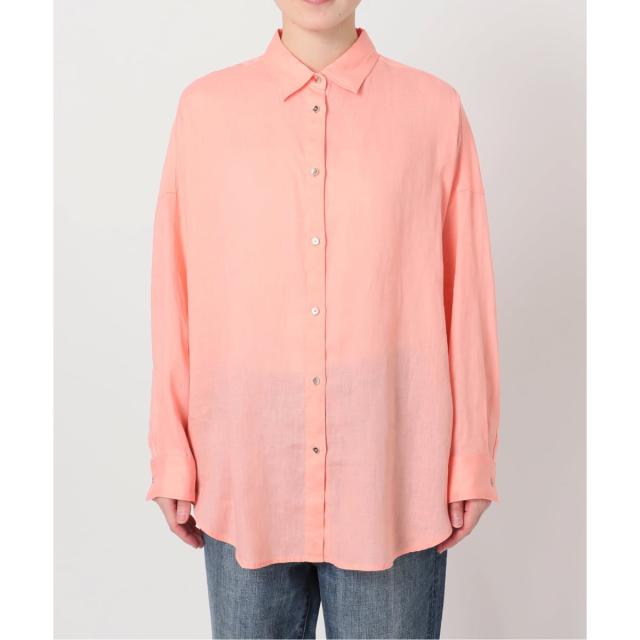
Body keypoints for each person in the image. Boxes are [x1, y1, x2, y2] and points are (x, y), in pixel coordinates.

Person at [145, 0, 500, 638]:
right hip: (246, 467)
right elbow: (177, 289)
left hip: (389, 470)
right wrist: (172, 452)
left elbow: (466, 294)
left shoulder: (434, 110)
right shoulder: (205, 110)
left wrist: (471, 454)